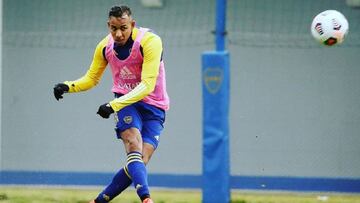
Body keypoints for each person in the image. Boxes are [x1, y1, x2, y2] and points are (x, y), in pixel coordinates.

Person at [53, 5, 169, 203]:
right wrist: (67, 86)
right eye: (113, 28)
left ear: (132, 24)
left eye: (123, 28)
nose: (118, 33)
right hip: (125, 102)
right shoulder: (105, 47)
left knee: (140, 161)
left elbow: (148, 85)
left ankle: (98, 201)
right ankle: (147, 199)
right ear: (108, 25)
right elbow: (91, 78)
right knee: (133, 143)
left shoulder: (150, 42)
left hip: (154, 105)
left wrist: (112, 105)